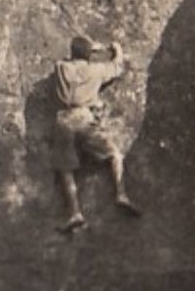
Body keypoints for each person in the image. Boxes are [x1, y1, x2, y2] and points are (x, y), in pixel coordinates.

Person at [51, 35, 141, 232]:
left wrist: (89, 49)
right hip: (84, 118)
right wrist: (115, 50)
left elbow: (66, 60)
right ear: (89, 55)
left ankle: (75, 213)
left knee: (66, 168)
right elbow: (117, 66)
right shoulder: (97, 70)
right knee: (115, 154)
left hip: (64, 121)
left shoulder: (61, 68)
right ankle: (121, 193)